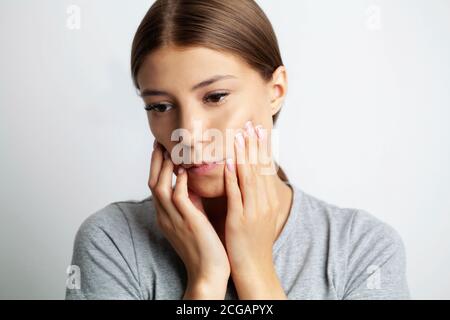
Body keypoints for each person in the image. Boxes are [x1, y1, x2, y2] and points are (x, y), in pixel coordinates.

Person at [66, 0, 410, 300]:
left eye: (215, 97)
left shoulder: (363, 249)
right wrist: (204, 282)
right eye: (160, 106)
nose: (190, 133)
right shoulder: (112, 241)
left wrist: (256, 271)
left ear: (275, 90)